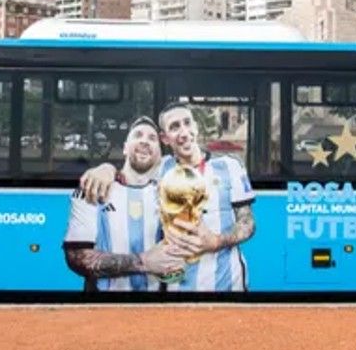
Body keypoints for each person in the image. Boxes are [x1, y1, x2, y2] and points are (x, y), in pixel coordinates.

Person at [80, 101, 257, 292]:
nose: (183, 132)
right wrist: (106, 169)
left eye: (187, 123)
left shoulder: (230, 166)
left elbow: (247, 223)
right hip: (177, 292)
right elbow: (129, 171)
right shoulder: (160, 170)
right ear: (165, 138)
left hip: (229, 287)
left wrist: (216, 241)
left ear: (195, 126)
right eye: (174, 127)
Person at [63, 117, 186, 291]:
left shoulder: (171, 196)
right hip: (103, 310)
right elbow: (77, 257)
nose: (145, 140)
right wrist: (143, 262)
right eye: (138, 135)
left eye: (152, 138)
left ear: (160, 155)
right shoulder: (93, 188)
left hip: (155, 311)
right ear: (125, 148)